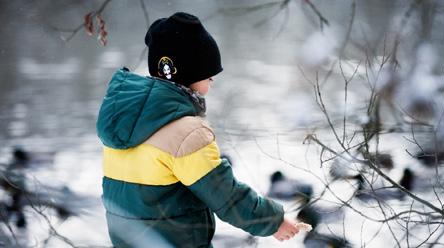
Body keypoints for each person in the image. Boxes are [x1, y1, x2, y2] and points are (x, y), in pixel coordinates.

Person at [96, 12, 299, 247]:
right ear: (188, 75)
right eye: (209, 77)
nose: (211, 83)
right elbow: (225, 195)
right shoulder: (187, 133)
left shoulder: (122, 122)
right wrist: (274, 221)